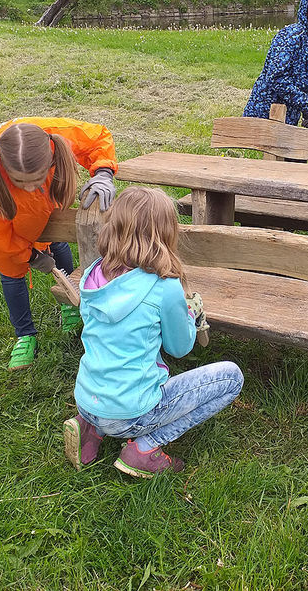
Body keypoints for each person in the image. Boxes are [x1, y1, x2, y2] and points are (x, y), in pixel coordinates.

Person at [63, 187, 243, 478]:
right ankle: (145, 448)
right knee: (232, 377)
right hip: (131, 412)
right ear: (165, 234)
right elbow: (179, 348)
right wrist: (190, 315)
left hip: (87, 398)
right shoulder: (164, 287)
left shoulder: (92, 275)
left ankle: (90, 429)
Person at [0, 117, 117, 371]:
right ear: (6, 171)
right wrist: (29, 256)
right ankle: (25, 335)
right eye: (22, 182)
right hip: (3, 216)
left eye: (38, 178)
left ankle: (70, 304)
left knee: (54, 242)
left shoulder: (53, 136)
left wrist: (103, 173)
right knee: (11, 271)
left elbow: (96, 137)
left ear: (51, 157)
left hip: (40, 206)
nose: (31, 187)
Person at [244, 0, 308, 129]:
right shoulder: (289, 36)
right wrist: (306, 106)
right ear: (307, 12)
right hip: (266, 110)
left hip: (289, 117)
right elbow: (276, 77)